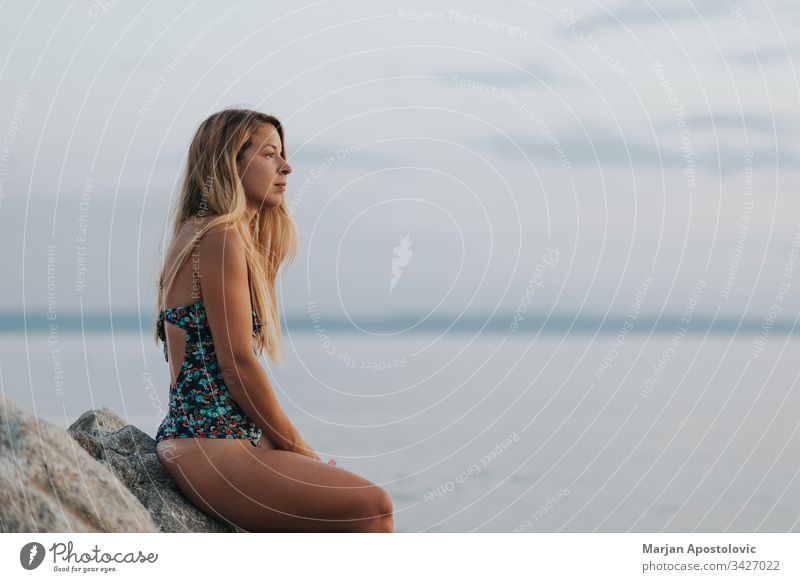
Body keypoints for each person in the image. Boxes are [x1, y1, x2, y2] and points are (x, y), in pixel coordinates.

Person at [152, 107, 393, 532]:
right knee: (373, 507)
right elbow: (237, 364)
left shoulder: (196, 232)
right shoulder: (220, 237)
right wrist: (299, 448)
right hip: (212, 444)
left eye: (282, 154)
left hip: (209, 440)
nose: (286, 167)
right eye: (269, 155)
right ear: (230, 163)